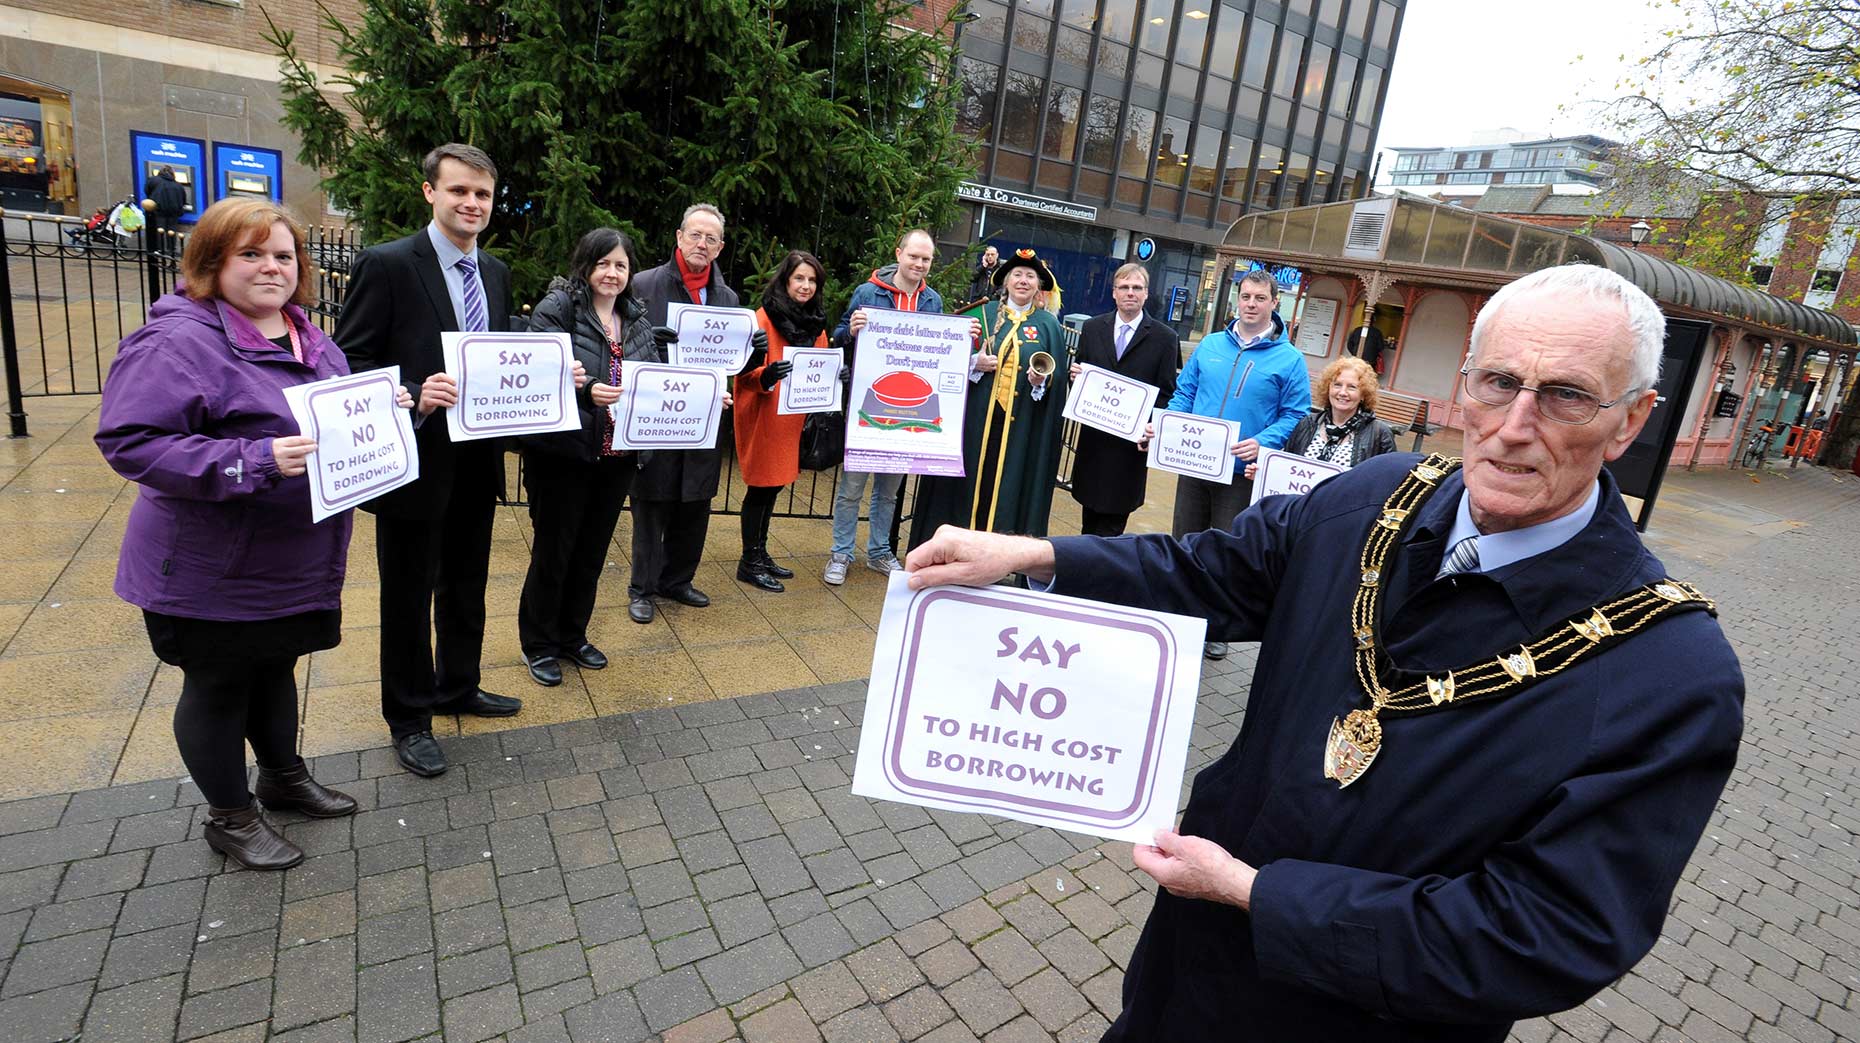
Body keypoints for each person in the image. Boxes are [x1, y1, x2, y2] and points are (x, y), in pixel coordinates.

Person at [904, 264, 1744, 1042]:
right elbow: (1209, 570)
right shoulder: (1374, 496)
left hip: (1370, 1016)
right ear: (1467, 384)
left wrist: (1255, 892)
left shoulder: (1667, 670)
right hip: (1187, 974)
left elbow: (1546, 933)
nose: (1515, 428)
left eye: (1566, 396)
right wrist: (1032, 557)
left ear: (1632, 418)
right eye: (1498, 383)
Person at [96, 199, 403, 868]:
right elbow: (130, 441)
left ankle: (282, 777)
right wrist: (252, 459)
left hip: (292, 559)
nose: (272, 267)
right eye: (252, 253)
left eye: (284, 255)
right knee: (219, 684)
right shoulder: (177, 340)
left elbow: (337, 416)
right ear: (213, 262)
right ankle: (231, 817)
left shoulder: (310, 336)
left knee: (274, 667)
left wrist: (390, 409)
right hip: (212, 566)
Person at [334, 143, 523, 778]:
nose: (472, 204)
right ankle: (409, 716)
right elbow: (350, 359)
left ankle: (457, 686)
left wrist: (557, 374)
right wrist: (411, 392)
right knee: (409, 595)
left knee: (466, 583)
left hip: (475, 459)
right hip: (413, 460)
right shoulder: (386, 264)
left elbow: (495, 355)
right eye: (459, 191)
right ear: (430, 193)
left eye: (483, 195)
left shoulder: (494, 272)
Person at [516, 228, 655, 687]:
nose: (612, 273)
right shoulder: (558, 309)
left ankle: (572, 636)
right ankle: (539, 644)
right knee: (555, 551)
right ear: (586, 264)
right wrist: (584, 390)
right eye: (604, 263)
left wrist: (706, 398)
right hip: (563, 454)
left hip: (615, 455)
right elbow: (536, 378)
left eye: (621, 265)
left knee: (592, 551)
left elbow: (651, 380)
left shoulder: (636, 319)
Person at [1152, 267, 1309, 659]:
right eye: (1246, 297)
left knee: (1225, 551)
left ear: (1276, 304)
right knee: (1184, 541)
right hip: (1195, 464)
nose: (1251, 304)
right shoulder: (1210, 346)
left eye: (1260, 298)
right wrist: (1167, 427)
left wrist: (1262, 442)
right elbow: (1184, 393)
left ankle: (1215, 625)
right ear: (1236, 300)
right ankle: (1179, 616)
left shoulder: (1289, 360)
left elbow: (1296, 414)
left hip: (1240, 474)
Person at [626, 203, 756, 623]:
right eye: (695, 235)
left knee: (696, 500)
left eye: (711, 238)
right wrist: (648, 342)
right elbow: (622, 345)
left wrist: (750, 354)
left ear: (719, 248)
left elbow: (727, 360)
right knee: (651, 501)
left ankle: (677, 580)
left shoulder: (728, 298)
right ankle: (642, 587)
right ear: (679, 237)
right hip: (657, 413)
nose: (702, 244)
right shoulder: (644, 284)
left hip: (703, 416)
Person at [824, 229, 967, 585]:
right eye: (914, 256)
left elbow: (938, 348)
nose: (919, 264)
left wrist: (963, 342)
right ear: (899, 254)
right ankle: (841, 552)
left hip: (911, 410)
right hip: (870, 404)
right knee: (851, 489)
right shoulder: (868, 292)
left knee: (888, 491)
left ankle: (878, 552)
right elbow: (837, 335)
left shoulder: (932, 300)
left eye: (926, 259)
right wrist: (851, 330)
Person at [908, 248, 1070, 549]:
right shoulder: (978, 314)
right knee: (965, 487)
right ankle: (953, 548)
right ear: (1006, 282)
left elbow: (1056, 383)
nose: (1023, 281)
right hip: (974, 424)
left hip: (1019, 429)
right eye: (1018, 275)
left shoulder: (1049, 327)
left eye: (1030, 276)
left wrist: (1042, 381)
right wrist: (973, 364)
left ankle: (995, 555)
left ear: (1038, 286)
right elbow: (943, 361)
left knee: (1008, 488)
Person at [733, 250, 830, 592]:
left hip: (790, 419)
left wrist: (836, 376)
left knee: (773, 487)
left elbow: (818, 367)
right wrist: (767, 375)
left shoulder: (815, 321)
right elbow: (742, 373)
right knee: (760, 488)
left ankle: (760, 552)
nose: (805, 286)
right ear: (786, 281)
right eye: (799, 278)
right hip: (764, 415)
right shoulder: (763, 318)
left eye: (811, 280)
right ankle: (749, 561)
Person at [1068, 263, 1179, 536]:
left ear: (1146, 294)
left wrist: (1150, 425)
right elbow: (1081, 381)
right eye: (1124, 287)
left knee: (1112, 530)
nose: (1131, 293)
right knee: (1087, 521)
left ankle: (1102, 576)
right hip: (1093, 445)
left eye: (1137, 288)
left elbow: (1168, 392)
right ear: (1114, 293)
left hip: (1128, 451)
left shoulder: (1166, 339)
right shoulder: (1093, 329)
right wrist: (1075, 378)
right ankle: (1084, 571)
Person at [1245, 354, 1398, 480]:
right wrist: (1263, 474)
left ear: (1363, 395)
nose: (1343, 392)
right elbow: (1287, 468)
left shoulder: (1379, 434)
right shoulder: (1308, 423)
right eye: (1337, 385)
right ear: (1328, 388)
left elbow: (1387, 482)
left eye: (1352, 387)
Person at [147, 165, 188, 253]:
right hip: (174, 210)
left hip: (160, 209)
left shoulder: (156, 181)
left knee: (160, 229)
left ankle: (160, 249)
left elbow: (147, 191)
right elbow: (184, 199)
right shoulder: (178, 185)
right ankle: (171, 249)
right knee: (172, 229)